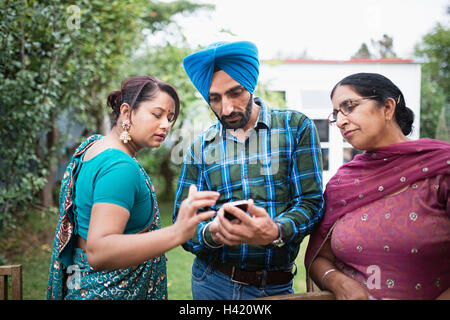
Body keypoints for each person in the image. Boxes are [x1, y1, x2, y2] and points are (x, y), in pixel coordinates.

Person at [173, 41, 325, 299]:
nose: (226, 108)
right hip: (213, 283)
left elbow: (311, 203)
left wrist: (276, 231)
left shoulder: (295, 128)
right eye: (215, 98)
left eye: (235, 92)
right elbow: (182, 223)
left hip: (276, 286)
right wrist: (212, 232)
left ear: (251, 85)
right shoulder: (200, 147)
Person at [47, 76, 219, 300]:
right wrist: (177, 233)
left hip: (82, 286)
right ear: (126, 112)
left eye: (170, 118)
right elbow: (100, 251)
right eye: (157, 115)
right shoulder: (120, 167)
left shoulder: (93, 147)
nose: (166, 124)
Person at [305, 72, 450, 300]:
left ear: (387, 108)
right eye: (336, 115)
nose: (340, 121)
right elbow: (319, 259)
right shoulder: (343, 183)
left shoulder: (441, 169)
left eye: (349, 107)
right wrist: (338, 282)